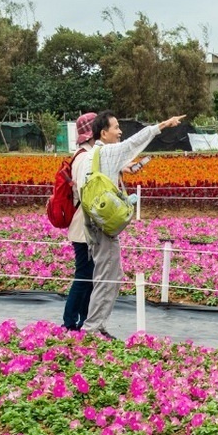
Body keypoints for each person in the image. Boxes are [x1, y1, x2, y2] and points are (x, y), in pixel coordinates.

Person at [78, 110, 184, 338]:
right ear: (104, 133)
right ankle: (92, 329)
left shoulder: (92, 154)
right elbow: (132, 144)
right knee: (107, 277)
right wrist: (162, 125)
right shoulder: (107, 151)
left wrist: (121, 170)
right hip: (104, 228)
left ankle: (98, 326)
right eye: (116, 127)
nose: (120, 132)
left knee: (109, 275)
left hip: (94, 225)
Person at [61, 112, 98, 331]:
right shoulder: (84, 157)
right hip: (82, 227)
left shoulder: (82, 154)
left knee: (88, 275)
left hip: (83, 226)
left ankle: (83, 321)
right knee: (84, 275)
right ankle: (69, 322)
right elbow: (86, 193)